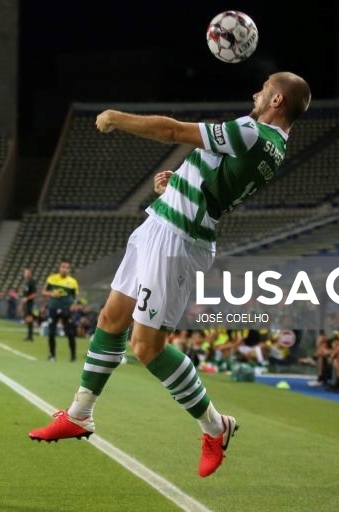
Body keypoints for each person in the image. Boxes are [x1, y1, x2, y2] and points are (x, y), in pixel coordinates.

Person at [30, 72, 312, 478]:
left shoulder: (252, 131)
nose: (256, 92)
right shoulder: (271, 145)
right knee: (111, 319)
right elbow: (218, 184)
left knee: (147, 348)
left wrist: (115, 118)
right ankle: (80, 414)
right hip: (161, 226)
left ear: (277, 101)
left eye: (263, 87)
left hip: (178, 241)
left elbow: (171, 131)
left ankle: (215, 427)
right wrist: (177, 185)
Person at [43, 259, 79, 362]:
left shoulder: (73, 282)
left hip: (66, 310)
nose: (65, 269)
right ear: (59, 268)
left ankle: (73, 356)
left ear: (69, 269)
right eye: (63, 267)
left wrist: (73, 305)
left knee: (70, 333)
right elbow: (44, 291)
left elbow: (76, 297)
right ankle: (52, 355)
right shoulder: (51, 279)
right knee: (51, 332)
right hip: (53, 308)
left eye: (67, 267)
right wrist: (51, 294)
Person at [21, 268, 38, 341]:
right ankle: (30, 336)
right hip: (26, 303)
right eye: (25, 272)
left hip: (30, 303)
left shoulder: (32, 282)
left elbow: (35, 294)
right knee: (28, 319)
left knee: (29, 319)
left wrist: (27, 298)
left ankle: (30, 336)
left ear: (30, 273)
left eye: (27, 272)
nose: (26, 274)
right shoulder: (26, 282)